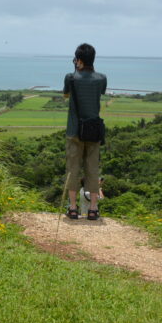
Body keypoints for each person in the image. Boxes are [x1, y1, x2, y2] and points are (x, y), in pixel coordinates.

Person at [63, 43, 107, 221]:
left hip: (74, 130)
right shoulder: (101, 78)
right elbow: (99, 92)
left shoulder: (70, 77)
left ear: (78, 60)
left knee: (73, 168)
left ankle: (73, 208)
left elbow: (66, 96)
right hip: (94, 130)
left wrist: (75, 70)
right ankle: (93, 209)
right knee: (92, 168)